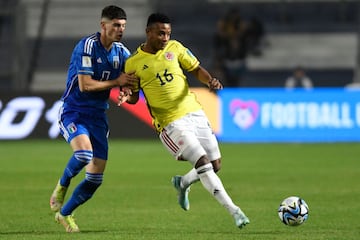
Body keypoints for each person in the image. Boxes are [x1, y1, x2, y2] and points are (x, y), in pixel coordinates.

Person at [119, 13, 250, 229]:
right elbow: (134, 95)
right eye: (161, 33)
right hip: (170, 123)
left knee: (215, 164)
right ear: (148, 32)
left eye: (168, 33)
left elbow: (195, 69)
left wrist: (210, 81)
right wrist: (126, 95)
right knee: (203, 164)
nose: (165, 38)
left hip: (194, 112)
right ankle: (234, 210)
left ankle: (183, 183)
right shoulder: (133, 62)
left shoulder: (175, 48)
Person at [49, 5, 138, 232]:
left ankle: (65, 214)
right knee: (83, 154)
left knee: (95, 180)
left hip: (98, 116)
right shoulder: (87, 46)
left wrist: (129, 91)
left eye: (123, 26)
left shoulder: (122, 53)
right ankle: (62, 185)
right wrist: (117, 82)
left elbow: (133, 85)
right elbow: (85, 85)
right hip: (74, 110)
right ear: (103, 25)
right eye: (116, 25)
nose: (120, 30)